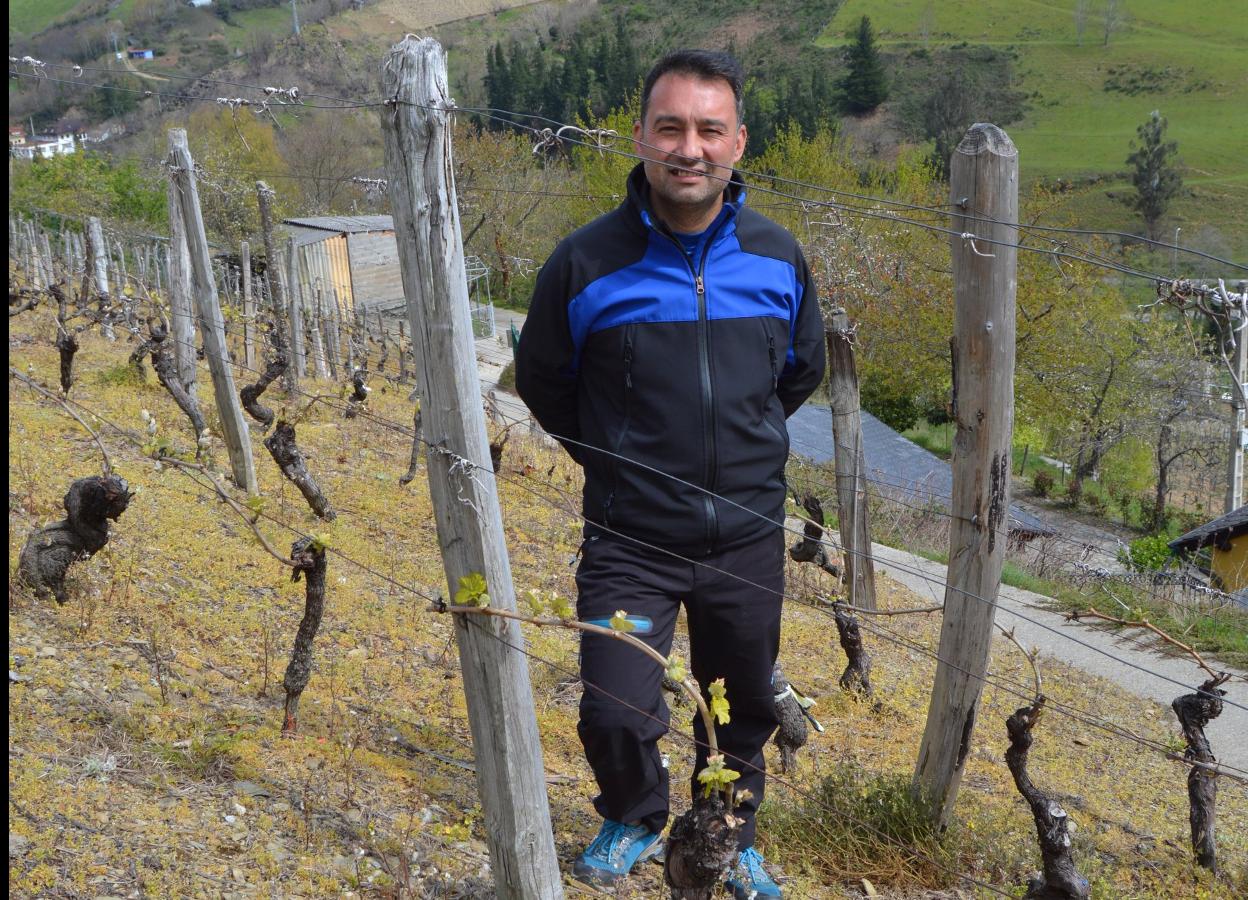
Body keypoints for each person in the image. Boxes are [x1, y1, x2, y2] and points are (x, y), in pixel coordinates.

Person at [515, 49, 826, 899]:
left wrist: (740, 449)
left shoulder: (778, 258)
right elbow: (543, 383)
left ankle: (730, 836)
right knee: (615, 708)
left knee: (743, 709)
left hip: (747, 538)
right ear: (642, 137)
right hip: (630, 541)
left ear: (738, 142)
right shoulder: (585, 264)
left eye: (708, 130)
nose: (690, 148)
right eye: (671, 128)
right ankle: (635, 815)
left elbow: (799, 371)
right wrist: (620, 462)